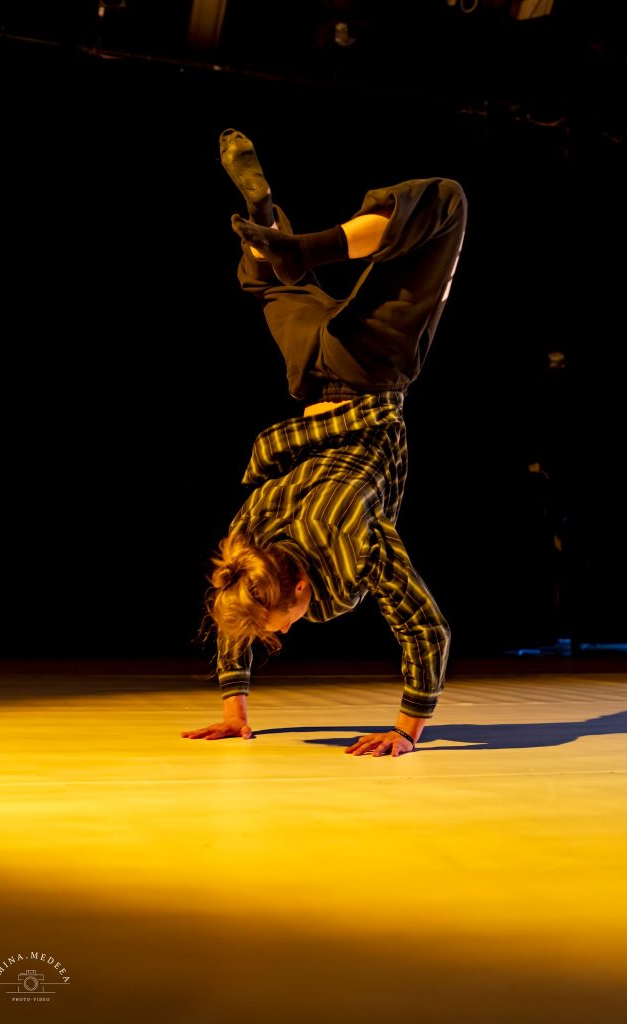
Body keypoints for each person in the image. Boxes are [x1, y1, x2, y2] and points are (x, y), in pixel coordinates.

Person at [181, 129, 467, 756]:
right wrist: (234, 710)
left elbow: (425, 626)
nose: (278, 634)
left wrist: (406, 730)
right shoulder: (249, 538)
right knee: (270, 284)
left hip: (368, 372)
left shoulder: (351, 541)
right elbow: (238, 609)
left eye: (280, 625)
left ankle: (308, 248)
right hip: (307, 373)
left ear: (301, 592)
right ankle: (266, 221)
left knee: (446, 203)